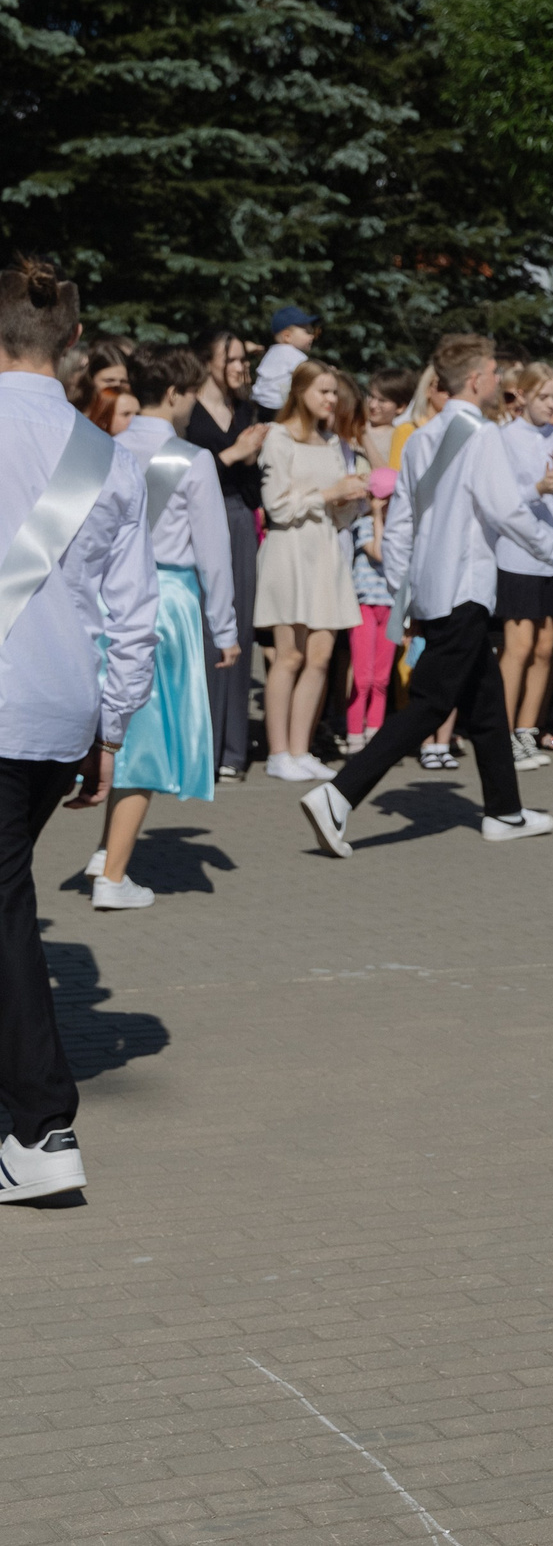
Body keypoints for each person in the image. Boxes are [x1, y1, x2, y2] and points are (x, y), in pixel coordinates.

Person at [0, 260, 154, 1202]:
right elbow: (132, 617)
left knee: (7, 912)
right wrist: (110, 730)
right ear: (73, 341)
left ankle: (40, 1126)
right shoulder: (109, 456)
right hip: (61, 710)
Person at [299, 335, 553, 857]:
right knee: (430, 704)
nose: (499, 380)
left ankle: (504, 811)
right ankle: (338, 794)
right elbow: (505, 510)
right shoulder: (483, 435)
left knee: (486, 705)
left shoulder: (421, 439)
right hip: (465, 589)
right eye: (494, 372)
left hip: (436, 590)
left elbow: (401, 527)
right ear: (476, 379)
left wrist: (407, 589)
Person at [85, 343, 238, 912]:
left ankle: (106, 850)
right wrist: (225, 627)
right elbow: (213, 552)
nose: (194, 403)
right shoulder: (192, 459)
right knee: (144, 741)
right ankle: (113, 877)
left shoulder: (102, 449)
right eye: (192, 392)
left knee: (117, 729)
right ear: (174, 393)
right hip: (165, 600)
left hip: (103, 598)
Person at [254, 362, 365, 780]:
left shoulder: (332, 441)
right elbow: (278, 507)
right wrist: (329, 493)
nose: (331, 399)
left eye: (334, 392)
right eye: (323, 391)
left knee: (320, 656)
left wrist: (349, 498)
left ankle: (300, 750)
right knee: (289, 655)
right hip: (290, 550)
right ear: (300, 392)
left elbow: (338, 514)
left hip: (325, 550)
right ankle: (278, 751)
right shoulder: (279, 437)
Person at [184, 329, 265, 781]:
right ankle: (203, 746)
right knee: (205, 628)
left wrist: (250, 460)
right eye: (232, 359)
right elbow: (183, 472)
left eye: (243, 359)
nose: (241, 367)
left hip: (237, 517)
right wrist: (235, 453)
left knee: (240, 628)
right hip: (195, 521)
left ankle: (233, 750)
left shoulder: (246, 410)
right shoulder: (188, 411)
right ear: (208, 361)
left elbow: (252, 488)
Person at [489, 363, 553, 766]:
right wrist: (539, 487)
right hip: (518, 554)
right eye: (543, 396)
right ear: (522, 396)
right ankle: (503, 733)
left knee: (545, 647)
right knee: (519, 646)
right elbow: (502, 501)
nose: (551, 404)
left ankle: (527, 730)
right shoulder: (503, 438)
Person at [346, 371, 408, 755]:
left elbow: (388, 475)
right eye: (371, 396)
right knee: (362, 673)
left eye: (383, 399)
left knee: (381, 675)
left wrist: (366, 439)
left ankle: (376, 733)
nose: (374, 404)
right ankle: (355, 731)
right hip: (364, 593)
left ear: (400, 406)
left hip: (388, 595)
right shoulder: (365, 525)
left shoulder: (400, 437)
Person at [250, 305, 316, 411]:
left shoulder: (271, 352)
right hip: (278, 406)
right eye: (307, 332)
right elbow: (311, 374)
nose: (312, 336)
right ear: (287, 337)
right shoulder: (294, 355)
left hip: (259, 403)